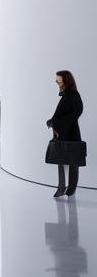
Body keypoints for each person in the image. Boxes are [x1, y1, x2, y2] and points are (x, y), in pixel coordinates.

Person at [47, 70, 85, 198]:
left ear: (66, 80)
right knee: (61, 160)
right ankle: (62, 187)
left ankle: (71, 188)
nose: (57, 82)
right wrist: (53, 122)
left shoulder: (72, 95)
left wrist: (57, 125)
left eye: (59, 80)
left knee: (72, 161)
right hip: (63, 132)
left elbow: (77, 112)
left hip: (70, 132)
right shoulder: (67, 95)